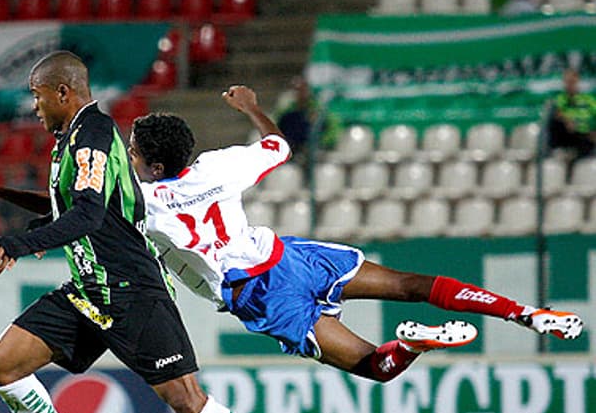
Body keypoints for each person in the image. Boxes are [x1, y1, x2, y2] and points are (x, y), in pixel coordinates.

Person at [0, 52, 305, 413]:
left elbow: (88, 215)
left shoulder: (92, 136)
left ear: (62, 92)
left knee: (188, 403)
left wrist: (20, 242)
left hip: (133, 293)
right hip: (88, 291)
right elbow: (69, 205)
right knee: (2, 364)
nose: (33, 106)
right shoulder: (71, 139)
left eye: (36, 95)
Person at [128, 85, 584, 383]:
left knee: (376, 365)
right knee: (411, 284)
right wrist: (251, 108)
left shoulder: (144, 205)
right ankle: (525, 313)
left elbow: (90, 216)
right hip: (288, 256)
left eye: (133, 153)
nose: (130, 159)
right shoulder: (220, 165)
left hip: (257, 292)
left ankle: (411, 345)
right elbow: (279, 144)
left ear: (156, 166)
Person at [272, 75, 340, 155]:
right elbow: (275, 129)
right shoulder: (286, 111)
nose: (300, 94)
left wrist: (321, 143)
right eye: (297, 90)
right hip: (292, 152)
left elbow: (334, 131)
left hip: (318, 151)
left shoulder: (320, 109)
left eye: (303, 90)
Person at [547, 67, 596, 161]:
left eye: (572, 82)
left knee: (586, 137)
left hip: (585, 136)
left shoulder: (589, 100)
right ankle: (558, 151)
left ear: (577, 81)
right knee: (554, 121)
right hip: (567, 136)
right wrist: (566, 120)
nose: (569, 85)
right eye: (567, 82)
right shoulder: (559, 99)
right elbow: (557, 113)